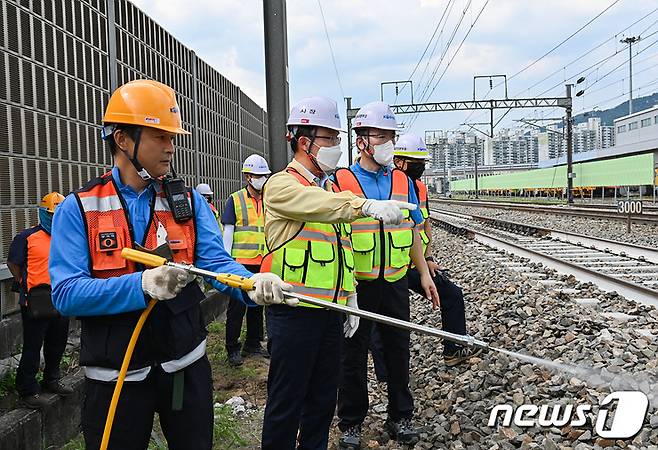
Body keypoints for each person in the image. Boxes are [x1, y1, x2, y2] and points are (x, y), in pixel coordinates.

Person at [49, 79, 291, 450]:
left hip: (184, 367)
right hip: (116, 376)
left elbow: (216, 262)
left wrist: (253, 284)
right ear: (123, 139)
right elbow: (66, 294)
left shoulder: (187, 201)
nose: (170, 147)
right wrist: (141, 286)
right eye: (159, 136)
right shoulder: (79, 209)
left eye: (172, 137)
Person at [260, 96, 417, 450]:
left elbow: (343, 248)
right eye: (330, 139)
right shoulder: (282, 186)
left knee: (321, 405)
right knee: (286, 405)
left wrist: (350, 296)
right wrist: (366, 205)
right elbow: (326, 208)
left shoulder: (329, 186)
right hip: (294, 315)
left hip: (331, 314)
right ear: (305, 142)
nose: (335, 147)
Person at [334, 102, 440, 449]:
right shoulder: (342, 181)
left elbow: (410, 230)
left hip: (394, 280)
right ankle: (351, 423)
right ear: (362, 140)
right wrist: (344, 288)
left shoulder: (401, 180)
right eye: (381, 136)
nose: (388, 144)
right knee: (353, 355)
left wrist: (423, 273)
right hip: (358, 284)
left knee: (398, 349)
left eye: (391, 137)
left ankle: (400, 416)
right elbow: (337, 236)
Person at [368, 134, 481, 385]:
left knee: (451, 294)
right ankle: (385, 375)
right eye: (414, 162)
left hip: (416, 263)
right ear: (398, 161)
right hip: (390, 265)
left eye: (422, 162)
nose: (420, 167)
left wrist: (427, 260)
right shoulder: (382, 184)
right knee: (381, 320)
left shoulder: (418, 187)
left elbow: (423, 225)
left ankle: (454, 348)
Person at [7, 192, 73, 409]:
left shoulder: (68, 237)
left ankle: (52, 380)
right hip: (36, 301)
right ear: (43, 214)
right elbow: (14, 263)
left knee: (57, 343)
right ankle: (27, 390)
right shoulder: (26, 237)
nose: (56, 220)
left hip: (61, 298)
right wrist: (23, 283)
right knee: (33, 347)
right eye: (52, 215)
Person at [221, 154, 271, 366]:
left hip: (263, 260)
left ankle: (253, 342)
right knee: (237, 306)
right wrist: (225, 262)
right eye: (259, 176)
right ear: (248, 177)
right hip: (240, 261)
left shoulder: (269, 198)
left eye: (265, 175)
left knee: (258, 303)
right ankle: (232, 348)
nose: (263, 179)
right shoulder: (236, 199)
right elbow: (228, 232)